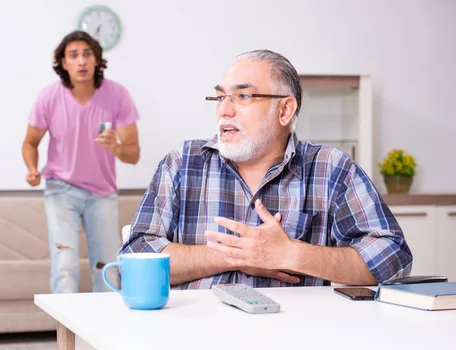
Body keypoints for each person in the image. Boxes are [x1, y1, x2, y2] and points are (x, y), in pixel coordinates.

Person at [119, 49, 412, 289]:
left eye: (243, 96)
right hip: (194, 338)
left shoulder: (331, 168)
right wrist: (233, 256)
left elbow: (393, 259)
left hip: (297, 342)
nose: (224, 110)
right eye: (221, 96)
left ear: (284, 110)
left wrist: (293, 254)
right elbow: (134, 258)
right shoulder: (183, 162)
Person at [22, 31, 140, 294]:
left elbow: (133, 153)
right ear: (64, 63)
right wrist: (32, 169)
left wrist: (117, 148)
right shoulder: (49, 97)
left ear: (97, 59)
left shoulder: (117, 95)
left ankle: (106, 333)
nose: (81, 61)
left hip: (102, 193)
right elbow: (30, 142)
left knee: (106, 267)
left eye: (87, 54)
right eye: (73, 55)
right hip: (60, 189)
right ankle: (66, 335)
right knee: (64, 265)